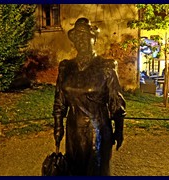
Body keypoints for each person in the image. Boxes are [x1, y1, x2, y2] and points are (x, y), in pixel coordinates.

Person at [52, 17, 126, 176]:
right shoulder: (66, 67)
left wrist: (119, 130)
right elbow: (59, 101)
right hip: (73, 131)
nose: (81, 40)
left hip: (97, 129)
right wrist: (58, 126)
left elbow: (116, 102)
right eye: (77, 37)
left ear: (94, 39)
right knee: (74, 170)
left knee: (96, 170)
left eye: (85, 36)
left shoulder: (105, 67)